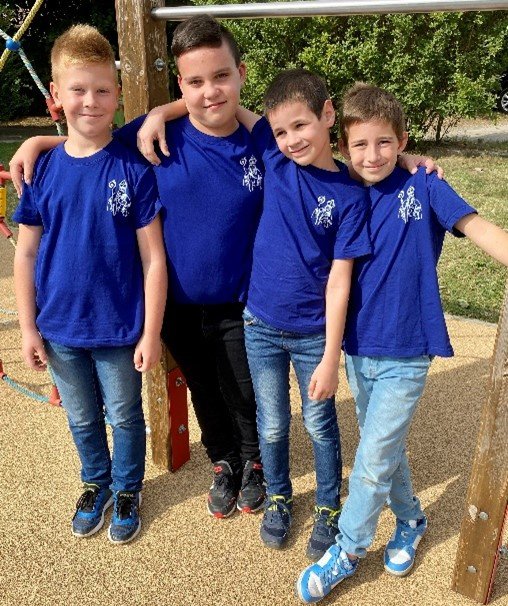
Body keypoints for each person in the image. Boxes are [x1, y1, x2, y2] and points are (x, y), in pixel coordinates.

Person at [8, 15, 438, 521]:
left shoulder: (262, 141)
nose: (209, 91)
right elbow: (90, 142)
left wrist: (402, 159)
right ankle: (224, 460)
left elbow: (322, 151)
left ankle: (253, 461)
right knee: (203, 388)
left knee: (243, 390)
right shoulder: (156, 135)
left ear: (241, 75)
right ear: (181, 85)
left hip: (242, 300)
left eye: (221, 77)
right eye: (194, 82)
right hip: (178, 303)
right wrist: (40, 142)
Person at [296, 82, 508, 603]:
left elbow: (477, 227)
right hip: (357, 348)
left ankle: (348, 548)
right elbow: (285, 134)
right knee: (382, 446)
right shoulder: (339, 188)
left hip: (408, 349)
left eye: (385, 143)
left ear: (403, 140)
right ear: (343, 146)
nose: (373, 155)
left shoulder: (424, 185)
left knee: (371, 458)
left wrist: (414, 163)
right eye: (361, 144)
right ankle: (411, 519)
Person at [12, 25, 167, 545]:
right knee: (81, 417)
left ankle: (127, 488)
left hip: (119, 327)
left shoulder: (133, 169)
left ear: (117, 94)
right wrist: (28, 328)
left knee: (124, 415)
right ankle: (96, 482)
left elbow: (153, 258)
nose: (91, 101)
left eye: (102, 90)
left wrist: (150, 332)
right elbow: (25, 253)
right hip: (59, 327)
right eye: (77, 90)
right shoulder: (42, 170)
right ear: (56, 96)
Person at [234, 69, 370, 559]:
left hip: (314, 334)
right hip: (260, 324)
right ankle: (279, 496)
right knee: (272, 424)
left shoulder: (351, 195)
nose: (291, 140)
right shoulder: (274, 156)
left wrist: (332, 356)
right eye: (281, 130)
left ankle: (329, 504)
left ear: (328, 114)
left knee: (318, 424)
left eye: (300, 125)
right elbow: (220, 103)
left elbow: (340, 280)